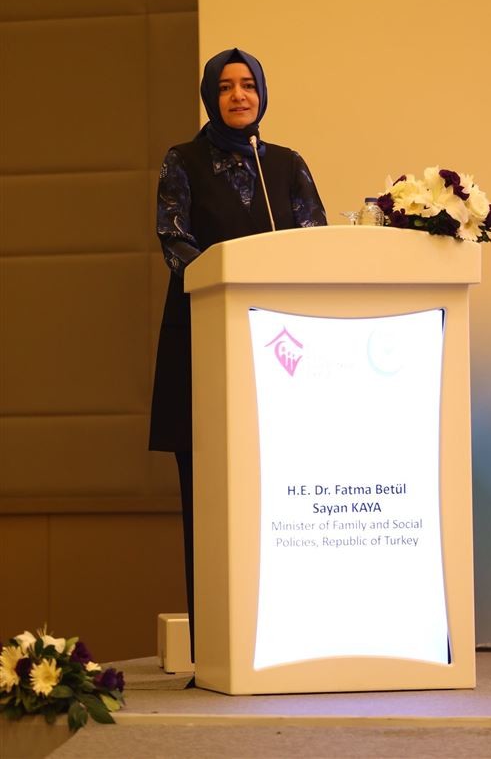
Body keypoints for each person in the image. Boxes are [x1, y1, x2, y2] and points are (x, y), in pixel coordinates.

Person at [149, 47, 327, 658]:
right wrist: (226, 283)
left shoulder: (287, 165)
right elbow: (175, 241)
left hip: (282, 349)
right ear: (210, 96)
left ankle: (292, 637)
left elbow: (314, 241)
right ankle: (216, 647)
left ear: (262, 94)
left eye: (247, 85)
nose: (238, 96)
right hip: (205, 342)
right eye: (225, 87)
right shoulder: (183, 161)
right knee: (209, 496)